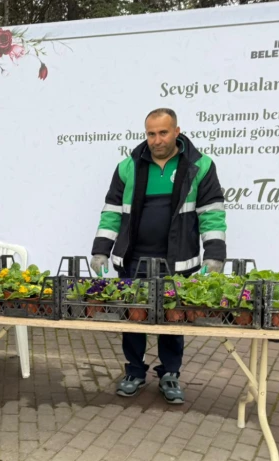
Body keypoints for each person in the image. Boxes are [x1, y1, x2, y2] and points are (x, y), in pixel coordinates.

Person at [90, 108, 227, 404]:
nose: (156, 140)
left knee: (173, 320)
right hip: (134, 260)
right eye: (151, 134)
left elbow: (212, 214)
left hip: (178, 261)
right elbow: (112, 211)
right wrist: (101, 249)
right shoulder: (129, 167)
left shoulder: (199, 166)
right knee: (133, 319)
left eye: (163, 132)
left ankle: (170, 374)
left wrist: (214, 254)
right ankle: (135, 372)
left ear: (177, 131)